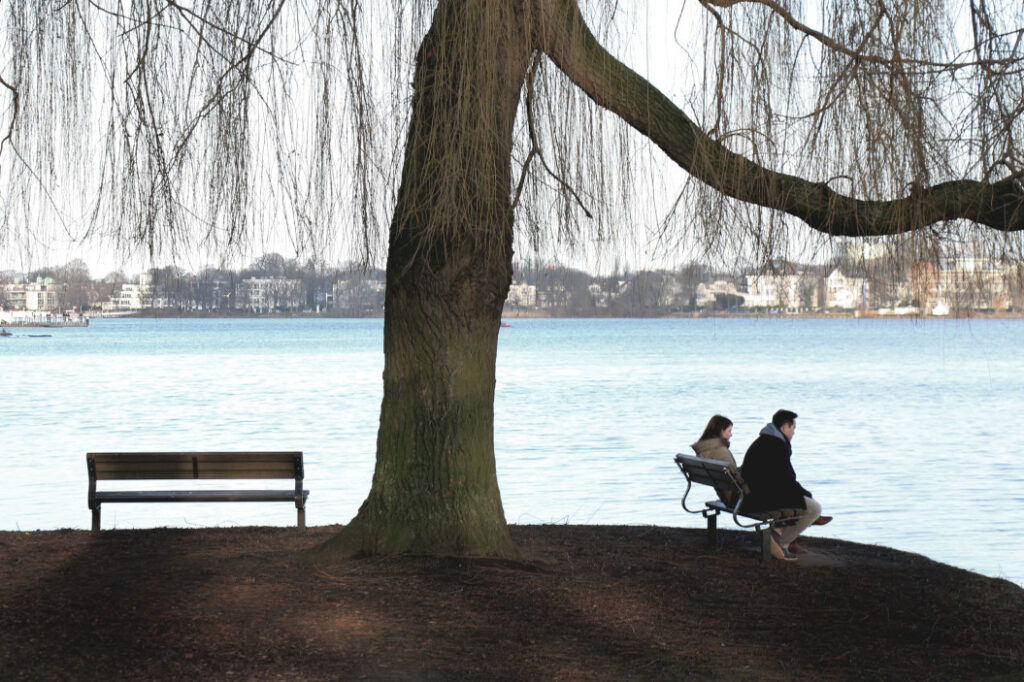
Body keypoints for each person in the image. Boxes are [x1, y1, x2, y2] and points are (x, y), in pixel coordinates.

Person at [740, 410, 831, 561]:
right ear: (784, 428)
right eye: (793, 428)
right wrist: (806, 495)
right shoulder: (777, 446)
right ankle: (780, 543)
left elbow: (782, 479)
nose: (794, 432)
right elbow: (786, 480)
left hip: (753, 493)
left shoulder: (764, 440)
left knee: (803, 501)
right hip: (760, 498)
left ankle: (779, 533)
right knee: (814, 508)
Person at [690, 415, 739, 504]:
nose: (731, 435)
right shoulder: (720, 451)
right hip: (736, 498)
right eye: (729, 431)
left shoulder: (703, 450)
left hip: (724, 496)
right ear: (721, 431)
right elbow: (735, 477)